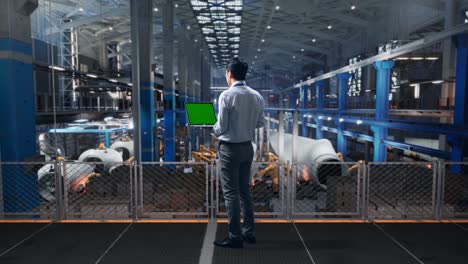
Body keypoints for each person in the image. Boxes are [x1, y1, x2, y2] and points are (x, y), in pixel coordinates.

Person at [213, 57, 265, 249]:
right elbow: (260, 123)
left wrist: (212, 128)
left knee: (231, 194)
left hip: (230, 149)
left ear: (229, 73)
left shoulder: (226, 96)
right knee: (245, 192)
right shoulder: (257, 96)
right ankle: (249, 233)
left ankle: (235, 237)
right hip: (247, 148)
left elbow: (222, 127)